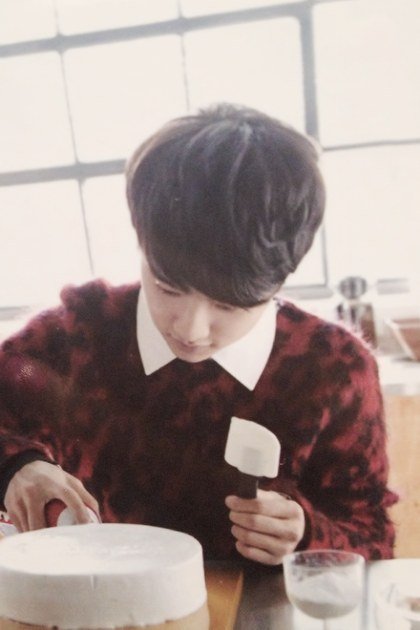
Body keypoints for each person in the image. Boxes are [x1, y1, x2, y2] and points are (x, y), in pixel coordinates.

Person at [0, 103, 397, 565]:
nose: (190, 329)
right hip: (90, 592)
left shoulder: (332, 370)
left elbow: (373, 539)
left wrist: (305, 534)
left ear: (280, 280)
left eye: (228, 305)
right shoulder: (80, 333)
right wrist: (16, 467)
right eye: (168, 289)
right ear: (142, 246)